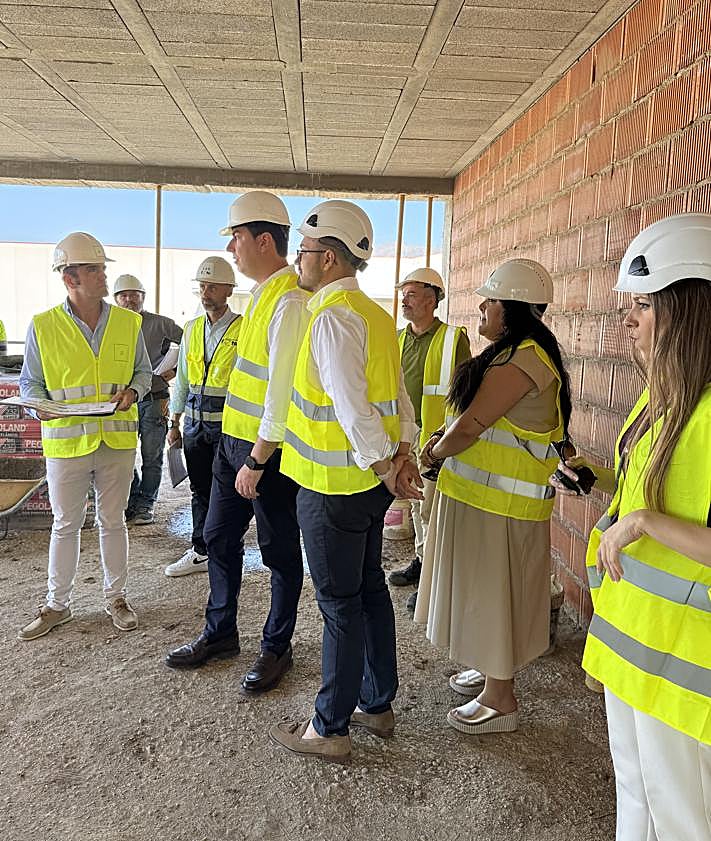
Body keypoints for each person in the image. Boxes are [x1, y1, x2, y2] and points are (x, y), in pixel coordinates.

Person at [552, 213, 711, 841]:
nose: (628, 319)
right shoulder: (659, 399)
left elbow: (653, 517)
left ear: (690, 309)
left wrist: (643, 521)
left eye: (644, 305)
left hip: (685, 662)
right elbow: (649, 494)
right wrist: (597, 480)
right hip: (634, 643)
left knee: (682, 815)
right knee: (636, 793)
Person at [269, 200, 421, 764]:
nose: (298, 260)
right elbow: (398, 398)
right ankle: (376, 704)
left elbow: (354, 408)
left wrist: (386, 464)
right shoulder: (375, 316)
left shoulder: (330, 318)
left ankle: (329, 727)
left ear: (328, 257)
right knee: (369, 589)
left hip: (333, 488)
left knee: (339, 604)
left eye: (304, 251)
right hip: (366, 486)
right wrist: (399, 455)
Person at [416, 258, 572, 734]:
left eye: (491, 300)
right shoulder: (512, 354)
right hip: (484, 501)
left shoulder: (524, 360)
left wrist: (432, 455)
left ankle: (500, 698)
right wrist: (442, 440)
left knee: (495, 594)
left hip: (502, 507)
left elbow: (471, 427)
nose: (482, 307)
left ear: (513, 307)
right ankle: (490, 669)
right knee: (484, 593)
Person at [166, 192, 311, 698]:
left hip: (265, 454)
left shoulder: (290, 301)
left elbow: (281, 394)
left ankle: (277, 646)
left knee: (279, 550)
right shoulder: (261, 297)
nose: (231, 248)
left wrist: (256, 458)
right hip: (233, 446)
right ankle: (221, 632)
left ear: (264, 241)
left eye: (236, 238)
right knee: (218, 536)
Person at [17, 232, 152, 640]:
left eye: (101, 267)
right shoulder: (43, 326)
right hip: (67, 441)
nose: (103, 275)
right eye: (93, 269)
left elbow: (143, 372)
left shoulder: (128, 322)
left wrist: (134, 392)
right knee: (66, 524)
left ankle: (117, 598)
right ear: (69, 278)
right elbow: (29, 384)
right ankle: (57, 605)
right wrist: (37, 406)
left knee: (113, 522)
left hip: (116, 439)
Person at [387, 267, 470, 612]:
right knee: (414, 502)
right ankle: (422, 563)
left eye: (411, 294)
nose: (404, 301)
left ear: (432, 299)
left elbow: (464, 393)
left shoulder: (452, 339)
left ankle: (433, 578)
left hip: (436, 438)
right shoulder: (396, 339)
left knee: (431, 509)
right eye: (403, 294)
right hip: (406, 435)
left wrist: (448, 439)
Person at [164, 257, 242, 576]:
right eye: (202, 286)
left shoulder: (243, 329)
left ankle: (225, 549)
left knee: (228, 492)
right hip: (195, 427)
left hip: (228, 428)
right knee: (199, 489)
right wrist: (174, 423)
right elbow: (182, 379)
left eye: (212, 287)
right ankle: (201, 550)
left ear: (228, 290)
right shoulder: (192, 328)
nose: (205, 293)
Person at [114, 274, 183, 525]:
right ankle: (132, 498)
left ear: (143, 297)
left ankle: (146, 503)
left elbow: (192, 345)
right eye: (124, 295)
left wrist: (175, 371)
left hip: (155, 399)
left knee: (152, 456)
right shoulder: (110, 326)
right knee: (122, 455)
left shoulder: (162, 324)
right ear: (116, 299)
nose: (129, 299)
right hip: (124, 402)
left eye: (134, 295)